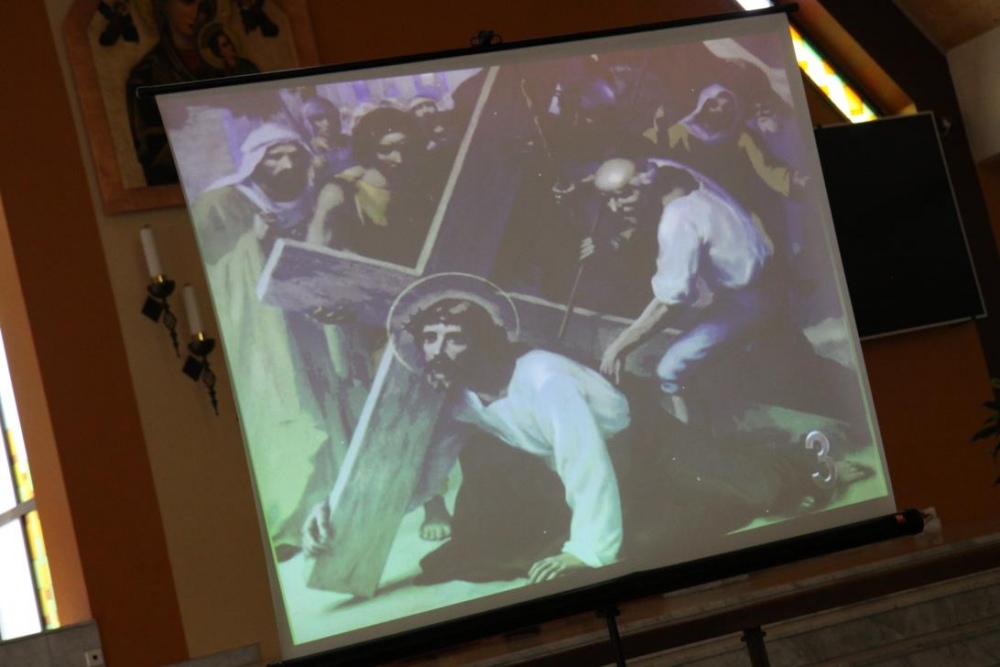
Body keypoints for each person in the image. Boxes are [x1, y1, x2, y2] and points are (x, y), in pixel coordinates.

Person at [304, 295, 631, 584]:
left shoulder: (546, 379)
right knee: (477, 551)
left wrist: (586, 551)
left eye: (455, 338)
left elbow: (586, 462)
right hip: (566, 472)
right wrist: (337, 514)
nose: (437, 351)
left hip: (633, 456)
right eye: (430, 338)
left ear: (485, 342)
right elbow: (422, 478)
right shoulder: (461, 398)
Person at [192, 122, 369, 559]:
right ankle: (288, 521)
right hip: (260, 336)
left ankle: (332, 508)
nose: (286, 163)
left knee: (325, 405)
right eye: (274, 156)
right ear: (254, 162)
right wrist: (251, 243)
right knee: (284, 411)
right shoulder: (219, 202)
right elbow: (204, 274)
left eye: (293, 154)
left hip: (307, 325)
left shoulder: (310, 198)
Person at [600, 164, 778, 428]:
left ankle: (691, 439)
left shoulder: (678, 218)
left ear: (646, 184)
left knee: (668, 373)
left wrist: (618, 348)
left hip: (749, 302)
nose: (615, 208)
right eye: (608, 199)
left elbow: (670, 303)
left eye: (624, 195)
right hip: (754, 287)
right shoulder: (676, 174)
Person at [307, 106, 438, 267]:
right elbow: (314, 256)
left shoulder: (422, 182)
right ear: (368, 149)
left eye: (405, 148)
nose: (399, 158)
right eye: (385, 150)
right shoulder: (340, 192)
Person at [125, 0, 223, 186]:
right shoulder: (146, 75)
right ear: (163, 5)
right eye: (188, 2)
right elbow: (152, 156)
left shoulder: (227, 66)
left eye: (203, 5)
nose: (197, 13)